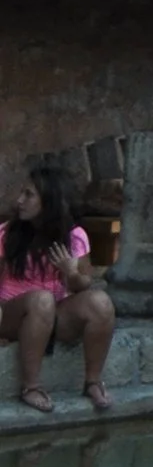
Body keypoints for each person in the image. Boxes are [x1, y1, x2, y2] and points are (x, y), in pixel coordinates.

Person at [2, 162, 115, 415]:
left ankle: (93, 382)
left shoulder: (74, 236)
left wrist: (70, 273)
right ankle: (31, 387)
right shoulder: (6, 234)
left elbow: (83, 285)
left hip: (52, 316)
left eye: (29, 195)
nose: (20, 200)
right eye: (22, 193)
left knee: (101, 302)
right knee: (42, 300)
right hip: (11, 315)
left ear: (49, 201)